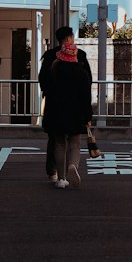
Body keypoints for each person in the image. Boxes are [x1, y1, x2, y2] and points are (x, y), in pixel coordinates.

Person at [38, 26, 92, 183]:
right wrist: (88, 115)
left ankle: (57, 176)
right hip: (76, 109)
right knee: (74, 143)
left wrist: (50, 94)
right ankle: (72, 166)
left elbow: (43, 81)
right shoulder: (80, 61)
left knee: (57, 142)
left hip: (55, 108)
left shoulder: (50, 58)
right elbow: (87, 88)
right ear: (69, 39)